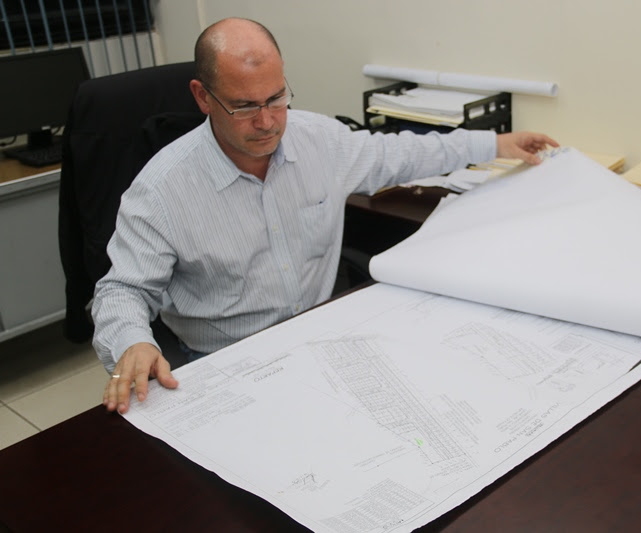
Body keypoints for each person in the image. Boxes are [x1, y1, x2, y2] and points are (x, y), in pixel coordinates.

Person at [96, 17, 558, 414]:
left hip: (324, 338)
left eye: (277, 98)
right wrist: (134, 341)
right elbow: (122, 290)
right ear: (203, 97)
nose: (267, 122)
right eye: (245, 106)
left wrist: (495, 144)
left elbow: (401, 154)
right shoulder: (161, 190)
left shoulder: (320, 141)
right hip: (229, 364)